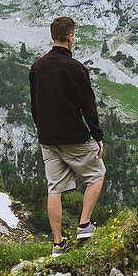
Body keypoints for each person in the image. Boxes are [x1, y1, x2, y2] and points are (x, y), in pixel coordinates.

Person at [29, 16, 106, 255]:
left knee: (55, 189)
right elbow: (88, 105)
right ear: (71, 37)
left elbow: (34, 105)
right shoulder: (76, 68)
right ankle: (84, 224)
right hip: (74, 135)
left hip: (47, 138)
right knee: (96, 174)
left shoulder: (37, 67)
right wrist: (97, 136)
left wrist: (42, 130)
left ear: (52, 36)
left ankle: (57, 244)